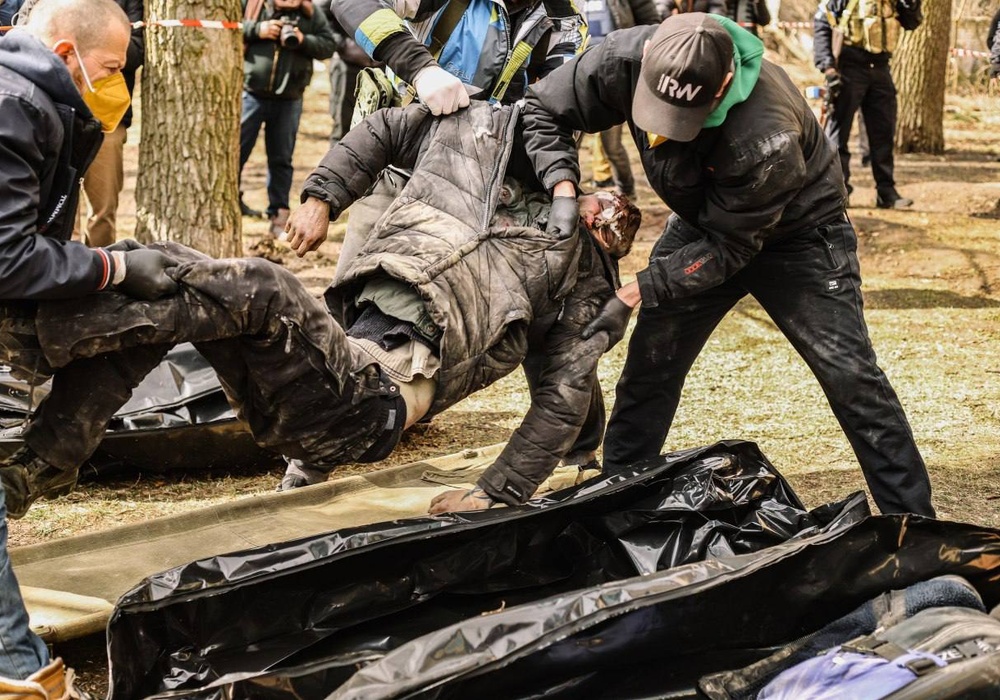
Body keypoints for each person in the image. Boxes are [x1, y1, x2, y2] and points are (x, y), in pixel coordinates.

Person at [1, 101, 638, 519]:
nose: (603, 213)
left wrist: (494, 493)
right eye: (601, 201)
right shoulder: (488, 154)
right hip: (323, 369)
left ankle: (23, 333)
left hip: (376, 404)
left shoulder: (578, 280)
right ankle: (42, 464)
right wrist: (323, 195)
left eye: (615, 224)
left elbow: (565, 395)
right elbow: (384, 129)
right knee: (162, 269)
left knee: (265, 288)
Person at [520, 13, 935, 517]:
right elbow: (542, 110)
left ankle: (912, 521)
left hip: (797, 237)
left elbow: (730, 248)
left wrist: (632, 294)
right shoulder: (624, 58)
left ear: (720, 87)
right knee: (653, 362)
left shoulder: (766, 135)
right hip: (703, 220)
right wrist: (564, 189)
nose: (660, 129)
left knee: (850, 377)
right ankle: (615, 501)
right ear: (648, 59)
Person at [0, 0, 179, 692]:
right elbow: (9, 257)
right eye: (111, 68)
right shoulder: (17, 104)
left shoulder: (39, 96)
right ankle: (20, 675)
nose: (117, 85)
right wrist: (112, 267)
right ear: (67, 51)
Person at [327, 0, 589, 282]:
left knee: (446, 304)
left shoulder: (564, 20)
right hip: (399, 172)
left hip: (483, 191)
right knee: (355, 286)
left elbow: (558, 118)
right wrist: (421, 69)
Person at [239, 0, 336, 236]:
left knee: (281, 158)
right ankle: (231, 201)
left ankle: (279, 215)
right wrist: (258, 30)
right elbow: (230, 28)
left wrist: (303, 40)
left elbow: (328, 45)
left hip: (290, 98)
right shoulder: (253, 5)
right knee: (236, 152)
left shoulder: (310, 14)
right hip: (251, 93)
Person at [814, 0, 922, 209]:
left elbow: (911, 23)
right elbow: (822, 23)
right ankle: (837, 191)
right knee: (838, 134)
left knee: (883, 132)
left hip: (881, 68)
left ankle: (886, 192)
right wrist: (827, 68)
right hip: (848, 68)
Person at [73, 0, 144, 248]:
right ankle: (62, 275)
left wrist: (92, 43)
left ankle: (99, 275)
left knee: (103, 208)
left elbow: (136, 50)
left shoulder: (129, 2)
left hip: (108, 119)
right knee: (61, 207)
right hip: (60, 112)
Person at [584, 0, 661, 197]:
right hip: (581, 74)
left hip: (618, 77)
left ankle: (627, 191)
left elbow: (653, 28)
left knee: (612, 145)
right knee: (568, 137)